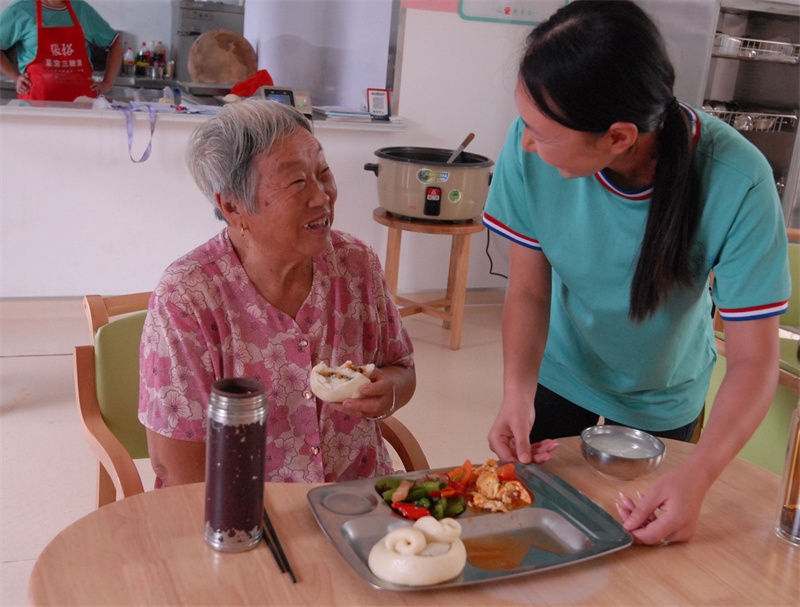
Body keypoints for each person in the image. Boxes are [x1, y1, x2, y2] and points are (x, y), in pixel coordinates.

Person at [483, 0, 790, 545]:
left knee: (642, 550)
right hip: (559, 371)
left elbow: (753, 358)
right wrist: (516, 393)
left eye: (541, 131)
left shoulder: (738, 179)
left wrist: (700, 472)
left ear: (619, 137)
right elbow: (530, 291)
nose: (525, 142)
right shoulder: (527, 149)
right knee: (534, 538)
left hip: (663, 394)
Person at [138, 99, 416, 486]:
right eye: (297, 182)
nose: (322, 197)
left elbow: (401, 368)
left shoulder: (356, 265)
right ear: (232, 205)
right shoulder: (187, 298)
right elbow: (178, 467)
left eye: (323, 172)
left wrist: (388, 394)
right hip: (246, 517)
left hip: (359, 503)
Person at [0, 0, 121, 101]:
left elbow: (115, 44)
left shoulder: (81, 9)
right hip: (36, 102)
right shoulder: (21, 10)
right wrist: (15, 76)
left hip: (81, 103)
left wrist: (108, 82)